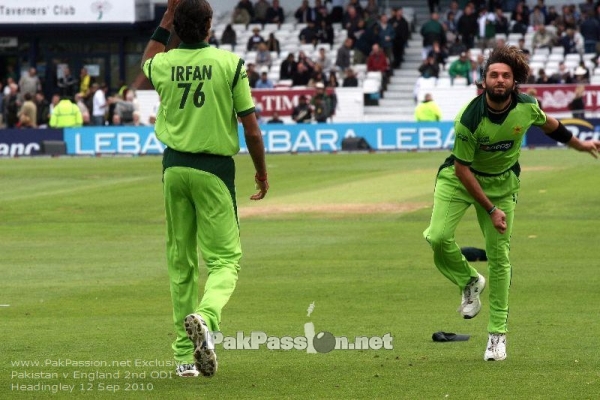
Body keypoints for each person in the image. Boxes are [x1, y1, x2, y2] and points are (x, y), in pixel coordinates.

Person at [423, 45, 600, 363]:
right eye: (494, 75)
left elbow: (553, 128)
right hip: (461, 179)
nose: (500, 80)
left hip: (503, 184)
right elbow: (462, 168)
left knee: (499, 257)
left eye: (506, 75)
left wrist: (580, 144)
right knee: (436, 237)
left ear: (514, 81)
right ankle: (468, 280)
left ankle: (496, 336)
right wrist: (490, 210)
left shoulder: (527, 107)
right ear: (484, 81)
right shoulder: (469, 118)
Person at [141, 0, 268, 379]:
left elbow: (148, 57)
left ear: (177, 27)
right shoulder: (230, 64)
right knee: (226, 260)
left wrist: (166, 17)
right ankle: (206, 318)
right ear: (210, 24)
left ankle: (183, 359)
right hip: (213, 170)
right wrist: (261, 173)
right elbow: (252, 129)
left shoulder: (164, 63)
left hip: (174, 168)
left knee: (181, 262)